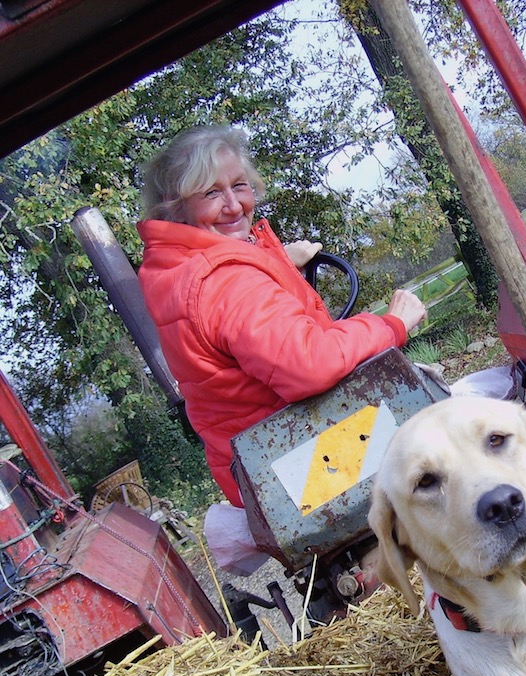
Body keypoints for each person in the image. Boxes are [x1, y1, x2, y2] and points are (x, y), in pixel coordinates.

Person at [137, 125, 427, 507]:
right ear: (178, 207)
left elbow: (232, 316)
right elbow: (310, 364)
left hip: (261, 473)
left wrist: (276, 260)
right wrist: (391, 325)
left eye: (239, 186)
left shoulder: (176, 270)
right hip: (304, 468)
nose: (235, 205)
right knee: (453, 422)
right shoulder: (226, 281)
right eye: (211, 192)